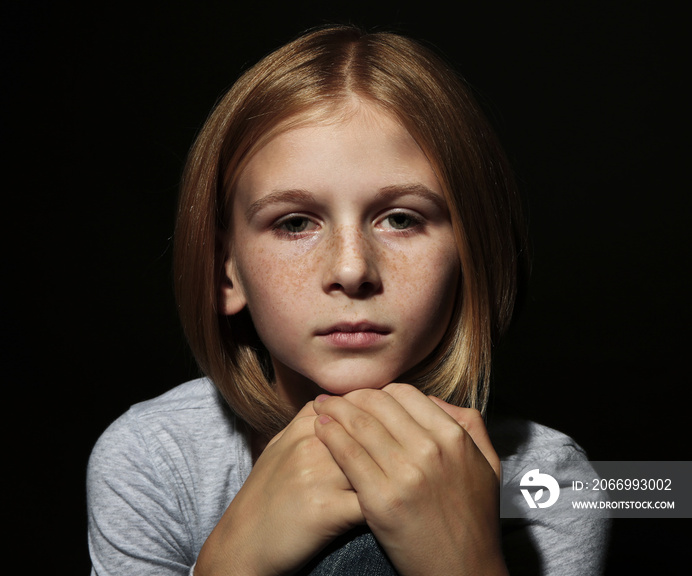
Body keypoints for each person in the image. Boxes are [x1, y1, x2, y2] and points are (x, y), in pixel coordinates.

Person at [87, 25, 609, 575]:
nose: (351, 269)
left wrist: (467, 560)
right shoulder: (152, 457)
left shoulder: (552, 479)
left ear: (472, 256)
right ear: (226, 273)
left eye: (402, 219)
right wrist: (231, 561)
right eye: (294, 223)